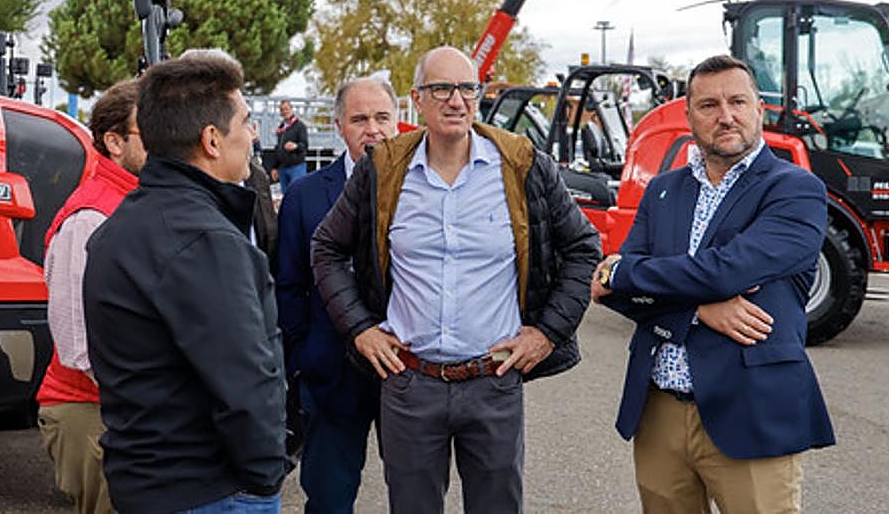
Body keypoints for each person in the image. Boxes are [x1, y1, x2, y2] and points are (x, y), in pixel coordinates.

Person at [312, 46, 600, 514]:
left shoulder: (522, 164)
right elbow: (326, 248)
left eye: (467, 88)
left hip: (494, 381)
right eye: (441, 88)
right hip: (410, 383)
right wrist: (360, 330)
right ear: (417, 99)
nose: (456, 100)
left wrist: (547, 334)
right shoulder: (382, 169)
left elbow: (584, 247)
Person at [592, 54, 835, 514]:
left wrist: (622, 271)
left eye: (737, 101)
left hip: (751, 409)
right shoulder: (663, 190)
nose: (725, 116)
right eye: (708, 105)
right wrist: (696, 311)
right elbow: (619, 299)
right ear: (688, 117)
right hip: (659, 408)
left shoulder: (796, 190)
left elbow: (726, 270)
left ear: (759, 109)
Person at [84, 50, 290, 513]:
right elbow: (244, 379)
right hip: (209, 489)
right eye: (245, 121)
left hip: (151, 482)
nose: (254, 134)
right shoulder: (203, 240)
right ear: (212, 139)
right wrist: (264, 474)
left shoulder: (123, 226)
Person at [275, 76, 399, 512]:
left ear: (398, 121)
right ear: (340, 126)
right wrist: (303, 358)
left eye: (382, 117)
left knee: (418, 497)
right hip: (329, 376)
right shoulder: (304, 196)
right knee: (328, 500)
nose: (373, 129)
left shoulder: (424, 191)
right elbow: (287, 285)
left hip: (407, 375)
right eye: (360, 119)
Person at [36, 79, 144, 514]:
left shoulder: (132, 201)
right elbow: (77, 339)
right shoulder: (90, 216)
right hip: (92, 410)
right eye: (149, 129)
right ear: (114, 141)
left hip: (118, 406)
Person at [274, 100, 309, 192]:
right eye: (282, 110)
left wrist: (296, 146)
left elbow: (305, 145)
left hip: (296, 167)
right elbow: (278, 148)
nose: (284, 111)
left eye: (286, 109)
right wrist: (275, 167)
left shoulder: (300, 126)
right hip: (283, 168)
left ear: (291, 109)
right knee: (286, 197)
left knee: (297, 194)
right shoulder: (281, 128)